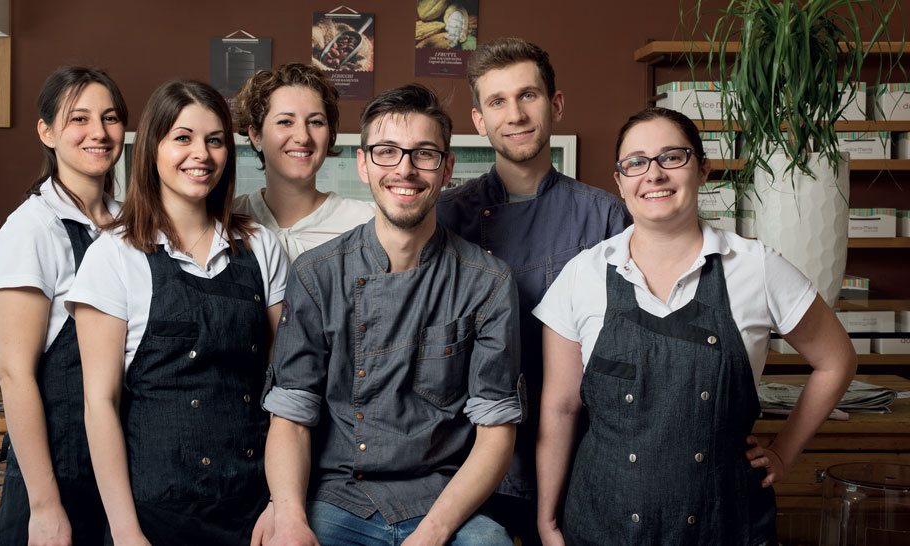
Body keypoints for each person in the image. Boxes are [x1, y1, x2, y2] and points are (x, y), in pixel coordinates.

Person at [533, 107, 857, 546]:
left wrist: (783, 452)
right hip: (599, 525)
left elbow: (837, 360)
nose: (654, 174)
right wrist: (547, 520)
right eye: (636, 162)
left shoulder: (756, 267)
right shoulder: (582, 275)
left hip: (725, 525)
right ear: (620, 182)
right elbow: (560, 408)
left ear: (702, 169)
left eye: (672, 157)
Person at [262, 84, 524, 546]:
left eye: (424, 154)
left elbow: (495, 435)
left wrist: (433, 531)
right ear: (363, 164)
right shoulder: (317, 274)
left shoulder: (488, 282)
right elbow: (291, 417)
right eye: (386, 152)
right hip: (339, 498)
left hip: (444, 499)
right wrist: (288, 515)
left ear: (447, 167)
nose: (405, 169)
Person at [66, 80, 288, 545]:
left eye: (215, 140)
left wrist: (280, 504)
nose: (201, 154)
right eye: (183, 138)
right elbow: (100, 405)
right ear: (153, 148)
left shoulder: (261, 245)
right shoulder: (113, 255)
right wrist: (126, 532)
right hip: (153, 513)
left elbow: (284, 385)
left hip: (253, 510)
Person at [436, 37, 630, 544]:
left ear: (555, 104)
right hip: (465, 463)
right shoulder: (445, 218)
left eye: (528, 95)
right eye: (497, 101)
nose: (516, 114)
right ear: (479, 121)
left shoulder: (606, 218)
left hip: (579, 460)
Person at [0, 66, 127, 546]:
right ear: (47, 132)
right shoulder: (33, 229)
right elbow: (14, 373)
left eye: (110, 118)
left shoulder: (130, 224)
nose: (98, 132)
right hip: (59, 471)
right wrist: (44, 505)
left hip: (122, 465)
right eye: (78, 119)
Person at [234, 63, 374, 261]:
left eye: (315, 122)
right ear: (256, 135)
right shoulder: (227, 218)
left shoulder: (367, 222)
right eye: (285, 122)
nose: (303, 137)